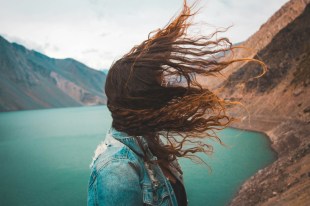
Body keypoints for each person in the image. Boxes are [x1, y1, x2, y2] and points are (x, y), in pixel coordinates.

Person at [87, 0, 266, 205]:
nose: (167, 91)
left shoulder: (150, 146)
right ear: (141, 99)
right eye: (159, 86)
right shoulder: (117, 171)